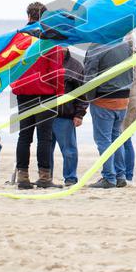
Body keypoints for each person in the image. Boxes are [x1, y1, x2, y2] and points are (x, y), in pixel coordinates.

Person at [8, 2, 65, 189]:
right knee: (44, 138)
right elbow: (56, 70)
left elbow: (9, 65)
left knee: (24, 136)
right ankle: (44, 177)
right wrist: (60, 93)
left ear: (28, 16)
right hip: (45, 94)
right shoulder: (50, 38)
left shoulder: (17, 38)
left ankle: (23, 178)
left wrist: (15, 86)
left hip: (23, 93)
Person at [84, 36, 134, 189]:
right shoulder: (125, 45)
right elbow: (130, 72)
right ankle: (120, 176)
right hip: (123, 97)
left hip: (104, 98)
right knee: (115, 137)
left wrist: (88, 98)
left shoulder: (96, 46)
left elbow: (90, 75)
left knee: (104, 140)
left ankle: (109, 177)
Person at [52, 48, 88, 186]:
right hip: (45, 115)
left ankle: (70, 178)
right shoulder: (44, 61)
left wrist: (80, 114)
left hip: (65, 116)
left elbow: (83, 93)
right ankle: (46, 178)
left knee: (69, 150)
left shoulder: (75, 66)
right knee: (45, 150)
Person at [120, 36, 136, 184]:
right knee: (124, 138)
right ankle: (126, 174)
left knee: (123, 139)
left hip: (129, 100)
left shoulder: (129, 60)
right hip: (131, 99)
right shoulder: (131, 57)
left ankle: (127, 175)